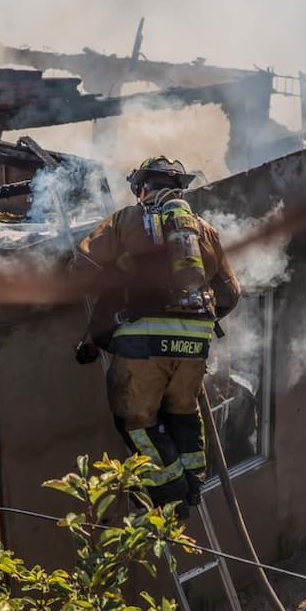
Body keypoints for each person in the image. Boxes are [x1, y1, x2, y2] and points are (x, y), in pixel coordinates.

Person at [74, 156, 240, 516]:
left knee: (135, 421)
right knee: (183, 411)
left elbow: (82, 268)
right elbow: (230, 295)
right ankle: (194, 482)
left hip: (143, 340)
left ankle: (171, 494)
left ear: (142, 188)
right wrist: (192, 322)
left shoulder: (125, 220)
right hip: (195, 342)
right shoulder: (204, 231)